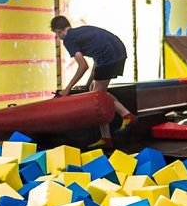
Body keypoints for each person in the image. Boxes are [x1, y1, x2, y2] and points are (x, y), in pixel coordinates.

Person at [50, 15, 138, 149]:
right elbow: (96, 61)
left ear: (58, 31)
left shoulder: (69, 39)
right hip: (118, 51)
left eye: (57, 34)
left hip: (109, 56)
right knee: (95, 92)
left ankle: (126, 115)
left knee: (97, 97)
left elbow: (83, 65)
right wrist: (87, 84)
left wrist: (67, 89)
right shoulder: (82, 32)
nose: (59, 37)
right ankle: (106, 138)